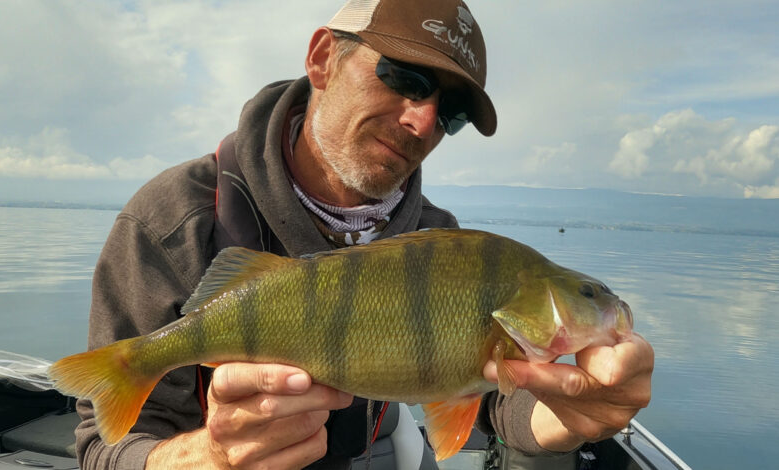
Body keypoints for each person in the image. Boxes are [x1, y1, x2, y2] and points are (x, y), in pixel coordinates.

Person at [74, 0, 654, 469]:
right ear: (323, 58)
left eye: (449, 111)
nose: (422, 121)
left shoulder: (439, 240)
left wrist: (564, 416)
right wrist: (209, 457)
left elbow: (494, 400)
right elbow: (102, 450)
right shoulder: (175, 221)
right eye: (403, 77)